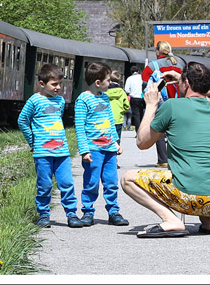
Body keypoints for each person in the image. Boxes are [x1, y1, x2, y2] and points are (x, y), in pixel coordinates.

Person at [120, 61, 210, 237]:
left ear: (186, 83)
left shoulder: (172, 106)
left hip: (190, 196)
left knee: (128, 179)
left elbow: (142, 142)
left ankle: (171, 220)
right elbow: (201, 100)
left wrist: (151, 105)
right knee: (200, 164)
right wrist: (183, 78)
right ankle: (209, 222)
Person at [18, 63, 84, 228]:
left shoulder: (60, 101)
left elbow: (57, 120)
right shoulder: (34, 100)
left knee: (67, 183)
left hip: (61, 151)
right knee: (45, 185)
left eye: (60, 84)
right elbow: (22, 120)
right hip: (42, 152)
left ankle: (71, 214)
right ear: (42, 84)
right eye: (54, 84)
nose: (58, 87)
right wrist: (32, 141)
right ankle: (43, 214)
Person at [75, 63, 129, 227]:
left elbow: (110, 121)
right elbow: (80, 127)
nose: (110, 83)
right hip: (93, 150)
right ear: (98, 82)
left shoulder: (105, 97)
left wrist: (115, 142)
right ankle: (88, 212)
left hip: (109, 149)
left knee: (111, 182)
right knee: (91, 182)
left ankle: (113, 212)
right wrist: (84, 150)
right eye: (108, 80)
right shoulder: (83, 100)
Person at [142, 41, 183, 167]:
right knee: (175, 129)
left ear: (158, 51)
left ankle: (163, 159)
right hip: (178, 101)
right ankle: (176, 159)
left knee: (159, 129)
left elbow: (144, 79)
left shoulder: (153, 65)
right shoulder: (179, 64)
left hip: (161, 102)